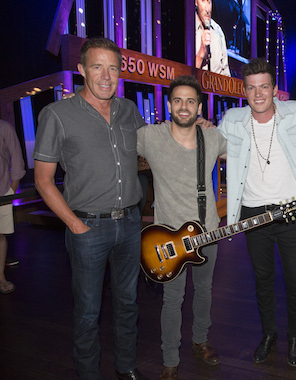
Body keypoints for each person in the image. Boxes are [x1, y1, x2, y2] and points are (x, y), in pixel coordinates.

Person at [33, 37, 148, 380]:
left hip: (129, 225)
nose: (106, 76)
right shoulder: (58, 115)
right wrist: (74, 225)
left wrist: (192, 130)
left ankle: (126, 367)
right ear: (81, 69)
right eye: (97, 66)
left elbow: (152, 150)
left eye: (113, 68)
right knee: (87, 313)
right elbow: (43, 180)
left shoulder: (129, 110)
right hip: (87, 230)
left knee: (128, 304)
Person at [217, 58, 296, 367]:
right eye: (252, 87)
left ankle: (294, 338)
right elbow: (212, 147)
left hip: (291, 213)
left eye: (264, 86)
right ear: (244, 90)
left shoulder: (295, 113)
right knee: (263, 279)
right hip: (253, 214)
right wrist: (201, 127)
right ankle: (269, 334)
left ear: (274, 89)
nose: (258, 94)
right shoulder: (232, 119)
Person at [137, 75, 226, 380]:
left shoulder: (212, 138)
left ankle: (201, 341)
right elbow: (116, 145)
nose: (184, 106)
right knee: (172, 301)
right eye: (178, 100)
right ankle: (170, 358)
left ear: (199, 107)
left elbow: (245, 153)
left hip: (207, 232)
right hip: (167, 241)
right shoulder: (151, 136)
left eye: (190, 101)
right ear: (168, 104)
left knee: (203, 291)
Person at [0, 120, 25, 295]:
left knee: (0, 236)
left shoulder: (4, 128)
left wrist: (11, 192)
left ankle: (0, 277)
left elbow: (16, 159)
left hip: (1, 193)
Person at [195, 0, 231, 76]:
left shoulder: (218, 31)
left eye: (209, 2)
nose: (207, 9)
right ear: (196, 2)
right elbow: (184, 77)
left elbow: (225, 72)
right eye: (203, 1)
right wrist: (201, 54)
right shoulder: (188, 28)